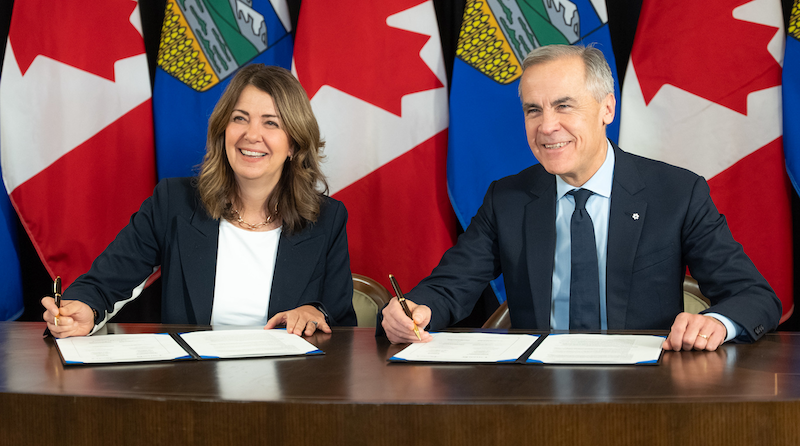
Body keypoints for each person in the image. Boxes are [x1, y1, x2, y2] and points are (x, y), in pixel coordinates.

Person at [381, 45, 781, 351]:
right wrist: (415, 310)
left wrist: (718, 323)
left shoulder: (676, 193)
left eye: (563, 106)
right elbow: (450, 286)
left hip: (647, 392)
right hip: (538, 395)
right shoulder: (508, 199)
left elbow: (754, 296)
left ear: (607, 108)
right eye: (533, 110)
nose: (546, 126)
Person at [42, 64, 357, 338]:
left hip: (290, 392)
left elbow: (339, 318)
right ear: (223, 131)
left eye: (271, 123)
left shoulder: (327, 219)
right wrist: (84, 308)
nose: (251, 134)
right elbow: (103, 282)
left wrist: (316, 314)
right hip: (192, 390)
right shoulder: (173, 202)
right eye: (240, 118)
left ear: (294, 145)